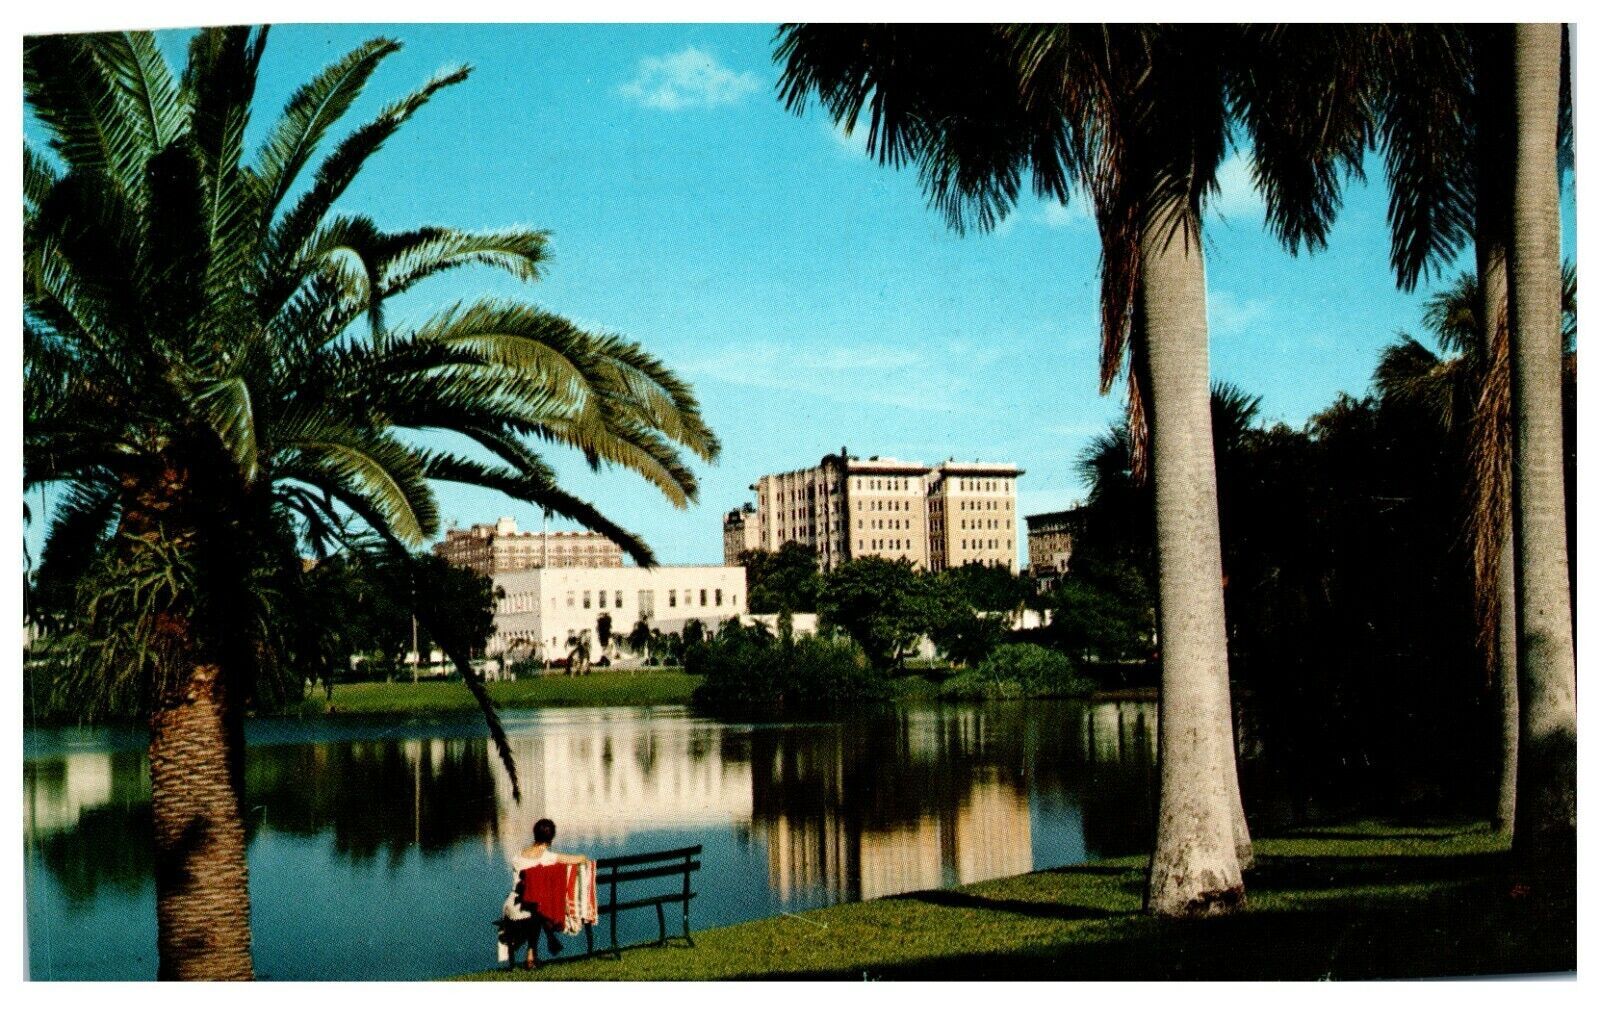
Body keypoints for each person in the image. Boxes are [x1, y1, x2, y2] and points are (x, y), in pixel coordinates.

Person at [504, 818, 589, 970]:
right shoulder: (548, 858)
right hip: (532, 910)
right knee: (539, 906)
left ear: (534, 834)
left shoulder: (517, 857)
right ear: (551, 838)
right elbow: (579, 859)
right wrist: (584, 858)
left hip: (513, 906)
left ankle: (534, 953)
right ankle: (543, 942)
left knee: (536, 904)